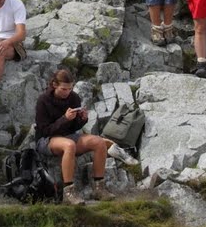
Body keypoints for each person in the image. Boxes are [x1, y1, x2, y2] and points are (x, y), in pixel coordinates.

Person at [35, 69, 137, 205]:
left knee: (99, 142)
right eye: (63, 89)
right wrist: (64, 119)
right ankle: (69, 192)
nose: (67, 92)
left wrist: (82, 119)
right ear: (54, 85)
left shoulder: (74, 98)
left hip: (68, 135)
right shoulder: (43, 100)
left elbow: (74, 128)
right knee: (69, 145)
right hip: (46, 140)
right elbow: (44, 130)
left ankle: (99, 188)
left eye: (70, 89)